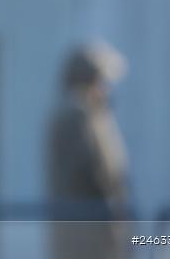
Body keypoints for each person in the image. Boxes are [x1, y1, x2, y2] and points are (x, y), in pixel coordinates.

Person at [46, 41, 131, 259]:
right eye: (104, 81)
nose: (107, 89)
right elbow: (100, 178)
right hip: (90, 238)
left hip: (79, 234)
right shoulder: (81, 118)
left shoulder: (77, 117)